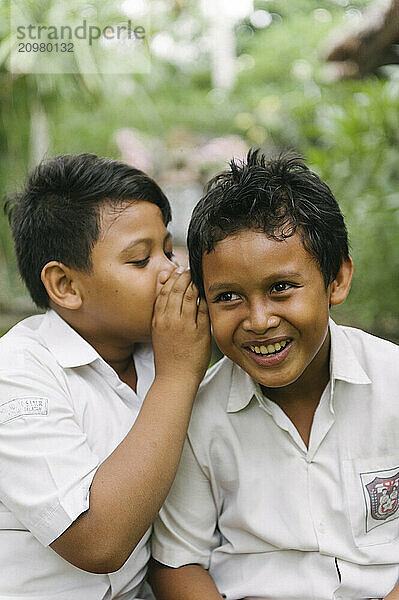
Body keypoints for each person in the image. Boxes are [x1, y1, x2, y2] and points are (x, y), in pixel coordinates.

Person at [150, 150, 399, 600]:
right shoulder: (197, 416)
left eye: (281, 288)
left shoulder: (393, 383)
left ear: (337, 280)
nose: (259, 320)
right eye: (228, 296)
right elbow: (177, 562)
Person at [0, 153, 211, 599]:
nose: (169, 272)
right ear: (65, 286)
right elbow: (98, 542)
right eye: (140, 260)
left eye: (167, 251)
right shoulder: (18, 372)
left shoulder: (162, 351)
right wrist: (176, 378)